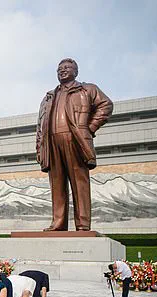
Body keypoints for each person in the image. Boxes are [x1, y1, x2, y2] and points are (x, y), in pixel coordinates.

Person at [36, 58, 113, 231]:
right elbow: (40, 124)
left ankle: (83, 224)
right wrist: (40, 148)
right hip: (52, 142)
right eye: (59, 69)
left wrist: (89, 128)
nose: (62, 70)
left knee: (79, 182)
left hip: (75, 140)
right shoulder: (49, 96)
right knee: (57, 184)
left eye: (67, 67)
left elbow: (106, 105)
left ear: (76, 72)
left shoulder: (88, 89)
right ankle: (58, 222)